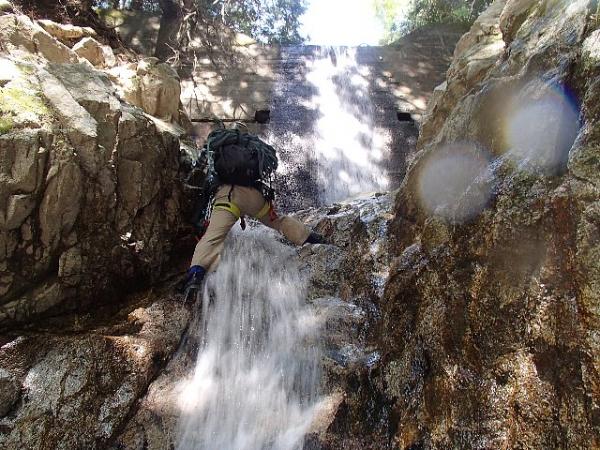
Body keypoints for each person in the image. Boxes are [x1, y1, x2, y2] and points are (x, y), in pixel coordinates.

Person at [180, 127, 325, 298]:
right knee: (278, 221)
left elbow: (202, 169)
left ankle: (195, 278)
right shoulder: (253, 148)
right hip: (255, 197)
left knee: (212, 237)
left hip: (229, 198)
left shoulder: (217, 144)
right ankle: (312, 238)